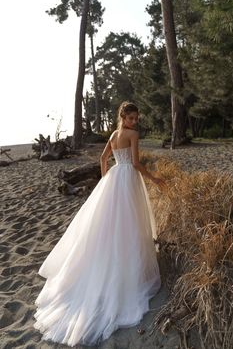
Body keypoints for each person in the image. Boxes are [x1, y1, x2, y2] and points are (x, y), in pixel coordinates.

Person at [33, 101, 165, 347]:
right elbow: (135, 164)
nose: (135, 122)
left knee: (110, 227)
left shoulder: (115, 134)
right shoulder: (132, 135)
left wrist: (106, 180)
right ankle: (129, 272)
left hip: (115, 179)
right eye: (132, 118)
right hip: (127, 179)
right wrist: (155, 179)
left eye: (136, 119)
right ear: (123, 116)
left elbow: (104, 158)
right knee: (129, 225)